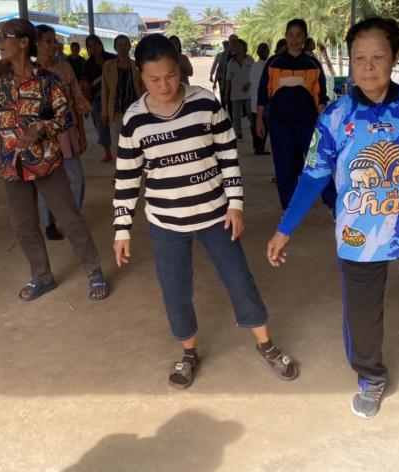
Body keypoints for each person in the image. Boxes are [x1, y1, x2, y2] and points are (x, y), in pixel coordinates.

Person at [266, 17, 399, 420]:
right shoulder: (336, 116)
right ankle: (370, 376)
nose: (368, 67)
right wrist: (285, 229)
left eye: (378, 57)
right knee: (362, 316)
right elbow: (313, 175)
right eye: (359, 58)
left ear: (395, 57)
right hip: (359, 234)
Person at [113, 33, 298, 389]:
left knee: (239, 279)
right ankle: (189, 353)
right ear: (141, 76)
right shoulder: (134, 120)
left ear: (179, 67)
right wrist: (122, 229)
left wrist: (236, 205)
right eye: (154, 79)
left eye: (170, 75)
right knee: (175, 290)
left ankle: (266, 344)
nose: (164, 85)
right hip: (165, 223)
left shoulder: (205, 103)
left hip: (216, 215)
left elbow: (228, 155)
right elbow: (126, 177)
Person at [0, 19, 108, 302]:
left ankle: (94, 273)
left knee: (69, 220)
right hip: (12, 166)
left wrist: (40, 128)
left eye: (4, 36)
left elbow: (65, 118)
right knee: (24, 227)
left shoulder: (47, 81)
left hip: (46, 164)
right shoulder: (0, 84)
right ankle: (42, 276)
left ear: (23, 42)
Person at [256, 19, 334, 211]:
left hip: (307, 123)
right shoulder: (274, 63)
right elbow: (263, 94)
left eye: (299, 35)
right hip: (279, 123)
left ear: (305, 38)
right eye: (290, 35)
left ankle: (332, 202)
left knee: (318, 161)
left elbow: (320, 96)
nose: (294, 39)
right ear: (285, 37)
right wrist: (259, 119)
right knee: (284, 165)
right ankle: (289, 206)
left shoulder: (313, 64)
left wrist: (325, 125)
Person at [34, 25, 91, 241]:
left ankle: (71, 219)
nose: (53, 45)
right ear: (36, 44)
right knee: (46, 180)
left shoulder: (65, 68)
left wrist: (82, 134)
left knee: (77, 179)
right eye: (48, 41)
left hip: (66, 130)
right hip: (40, 134)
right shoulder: (29, 71)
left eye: (55, 41)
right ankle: (48, 223)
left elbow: (76, 99)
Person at [101, 34, 141, 158]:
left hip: (135, 110)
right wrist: (105, 112)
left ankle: (135, 165)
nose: (123, 47)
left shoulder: (137, 65)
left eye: (125, 44)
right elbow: (105, 90)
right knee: (118, 141)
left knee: (135, 140)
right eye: (120, 45)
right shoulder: (108, 66)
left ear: (129, 47)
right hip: (116, 109)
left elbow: (143, 88)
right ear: (115, 47)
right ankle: (120, 167)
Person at [81, 34, 116, 163]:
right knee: (101, 127)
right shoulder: (87, 64)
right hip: (98, 99)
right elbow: (85, 85)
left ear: (100, 45)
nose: (93, 48)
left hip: (116, 97)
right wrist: (86, 103)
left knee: (121, 124)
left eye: (95, 44)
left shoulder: (112, 58)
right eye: (90, 46)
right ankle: (108, 153)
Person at [225, 38, 254, 141]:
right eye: (234, 46)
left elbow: (254, 74)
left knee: (250, 112)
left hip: (249, 92)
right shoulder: (231, 62)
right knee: (236, 115)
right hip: (235, 92)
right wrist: (226, 95)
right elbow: (228, 79)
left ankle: (254, 129)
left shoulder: (250, 59)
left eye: (238, 46)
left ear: (244, 47)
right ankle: (238, 133)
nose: (236, 48)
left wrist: (249, 84)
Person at [249, 42, 271, 155]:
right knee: (263, 125)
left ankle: (257, 146)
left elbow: (251, 81)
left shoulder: (254, 65)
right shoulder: (268, 65)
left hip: (254, 99)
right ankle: (260, 148)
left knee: (256, 123)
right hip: (263, 99)